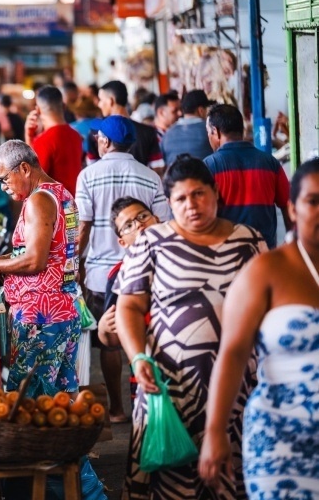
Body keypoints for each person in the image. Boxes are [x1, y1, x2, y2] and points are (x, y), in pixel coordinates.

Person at [0, 140, 106, 500]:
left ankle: (69, 490)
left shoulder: (40, 199)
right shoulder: (59, 193)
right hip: (61, 311)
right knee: (57, 406)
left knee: (29, 407)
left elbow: (37, 260)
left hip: (44, 317)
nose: (3, 186)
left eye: (5, 178)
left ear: (24, 168)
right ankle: (74, 489)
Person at [115, 155, 267, 499]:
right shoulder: (151, 242)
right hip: (169, 386)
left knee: (232, 479)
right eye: (181, 199)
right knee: (171, 484)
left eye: (199, 194)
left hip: (239, 389)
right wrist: (138, 357)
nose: (191, 205)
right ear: (169, 204)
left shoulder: (250, 242)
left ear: (215, 193)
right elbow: (129, 306)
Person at [198, 158, 319, 497]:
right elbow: (233, 353)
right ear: (292, 209)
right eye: (313, 201)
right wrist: (215, 431)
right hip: (282, 441)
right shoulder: (266, 270)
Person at [76, 115, 170, 424]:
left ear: (104, 141)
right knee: (145, 333)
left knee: (110, 340)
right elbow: (164, 225)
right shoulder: (151, 177)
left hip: (102, 273)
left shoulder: (88, 175)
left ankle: (117, 408)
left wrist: (76, 264)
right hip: (146, 271)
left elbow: (84, 227)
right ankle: (147, 397)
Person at [97, 197, 160, 404]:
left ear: (157, 219)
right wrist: (104, 330)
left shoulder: (181, 257)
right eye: (129, 225)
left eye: (143, 216)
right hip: (146, 370)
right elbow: (112, 340)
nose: (140, 225)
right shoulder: (119, 276)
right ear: (122, 242)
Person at [203, 103, 292, 249]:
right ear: (242, 130)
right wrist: (290, 241)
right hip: (264, 252)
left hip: (225, 253)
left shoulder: (209, 166)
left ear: (216, 132)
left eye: (209, 132)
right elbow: (288, 205)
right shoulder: (270, 163)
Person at [96, 81, 165, 175]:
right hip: (142, 187)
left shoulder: (98, 134)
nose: (99, 104)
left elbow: (93, 169)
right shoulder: (147, 132)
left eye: (100, 99)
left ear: (110, 101)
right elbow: (157, 170)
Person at [28, 86, 83, 196]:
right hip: (73, 203)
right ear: (63, 106)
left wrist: (29, 137)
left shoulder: (43, 141)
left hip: (55, 206)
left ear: (38, 110)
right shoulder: (76, 136)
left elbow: (34, 182)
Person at [161, 89, 215, 167]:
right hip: (203, 177)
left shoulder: (167, 134)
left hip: (175, 178)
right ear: (201, 110)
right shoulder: (210, 130)